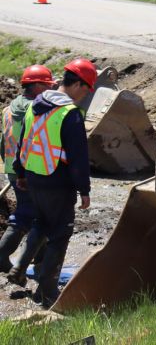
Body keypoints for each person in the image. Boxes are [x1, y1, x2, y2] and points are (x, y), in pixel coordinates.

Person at [13, 57, 96, 308]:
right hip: (58, 183)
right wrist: (84, 189)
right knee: (60, 234)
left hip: (34, 178)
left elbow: (23, 143)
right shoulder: (69, 114)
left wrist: (20, 174)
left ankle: (18, 267)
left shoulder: (35, 105)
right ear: (79, 85)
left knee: (41, 223)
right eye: (86, 90)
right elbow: (79, 156)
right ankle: (47, 292)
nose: (84, 96)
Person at [0, 66, 56, 272]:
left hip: (13, 168)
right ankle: (2, 255)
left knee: (38, 214)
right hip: (31, 169)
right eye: (47, 85)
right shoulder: (38, 111)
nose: (49, 89)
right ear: (37, 85)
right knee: (27, 213)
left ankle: (38, 258)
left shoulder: (9, 108)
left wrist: (10, 167)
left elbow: (2, 141)